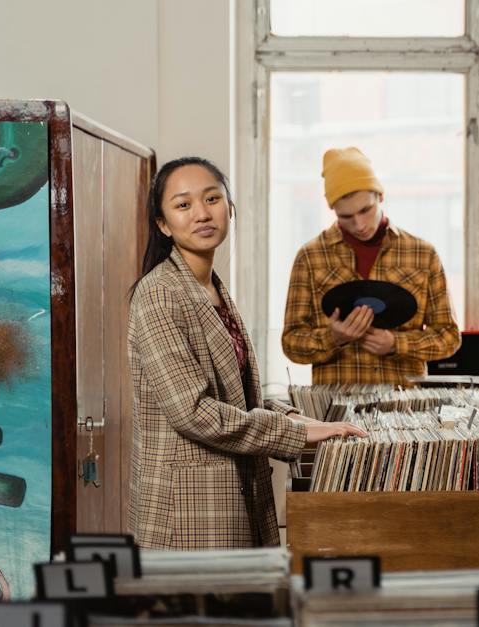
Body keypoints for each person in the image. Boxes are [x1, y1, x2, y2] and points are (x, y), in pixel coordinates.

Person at [127, 157, 365, 549]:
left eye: (212, 198)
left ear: (229, 208)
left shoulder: (212, 288)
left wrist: (293, 415)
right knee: (201, 612)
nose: (202, 214)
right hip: (190, 509)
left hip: (230, 491)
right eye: (183, 205)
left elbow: (235, 394)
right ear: (163, 224)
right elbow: (194, 412)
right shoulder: (159, 294)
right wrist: (296, 432)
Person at [282, 147, 461, 384]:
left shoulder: (423, 254)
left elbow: (449, 337)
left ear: (380, 196)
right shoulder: (309, 257)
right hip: (335, 412)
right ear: (333, 210)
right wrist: (332, 338)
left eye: (366, 210)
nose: (359, 224)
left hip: (405, 410)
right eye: (346, 216)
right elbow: (291, 343)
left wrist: (397, 344)